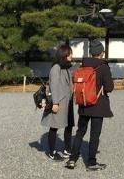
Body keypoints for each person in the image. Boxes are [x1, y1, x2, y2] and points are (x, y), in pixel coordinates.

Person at [66, 40, 114, 171]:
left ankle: (72, 159)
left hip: (84, 104)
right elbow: (109, 87)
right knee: (94, 135)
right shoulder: (103, 67)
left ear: (91, 53)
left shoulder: (82, 66)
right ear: (102, 53)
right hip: (98, 105)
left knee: (80, 132)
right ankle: (91, 162)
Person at [41, 44, 74, 161]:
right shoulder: (56, 68)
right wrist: (55, 103)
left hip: (67, 101)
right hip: (59, 102)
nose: (71, 55)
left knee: (69, 125)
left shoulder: (65, 67)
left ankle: (67, 149)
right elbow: (54, 86)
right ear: (64, 54)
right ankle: (52, 152)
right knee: (54, 127)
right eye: (70, 53)